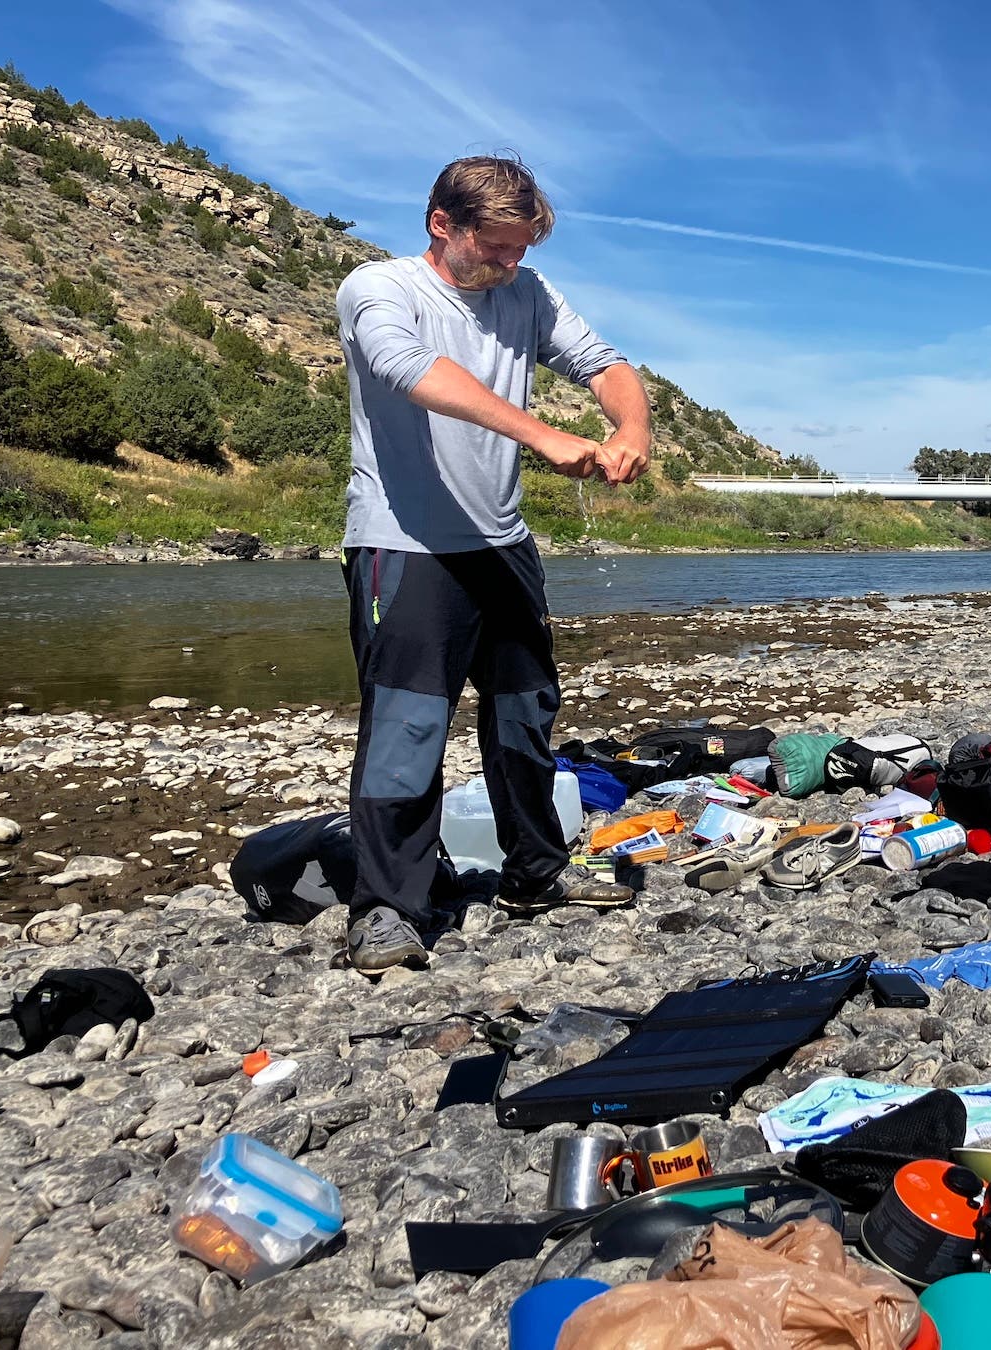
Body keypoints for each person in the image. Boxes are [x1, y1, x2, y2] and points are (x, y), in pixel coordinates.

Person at [334, 154, 645, 974]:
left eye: (522, 251)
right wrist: (543, 436)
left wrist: (631, 431)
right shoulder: (379, 289)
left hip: (501, 544)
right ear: (443, 224)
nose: (511, 266)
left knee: (524, 715)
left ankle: (536, 874)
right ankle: (387, 909)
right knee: (407, 728)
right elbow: (416, 374)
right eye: (498, 249)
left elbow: (606, 365)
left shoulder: (527, 294)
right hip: (403, 547)